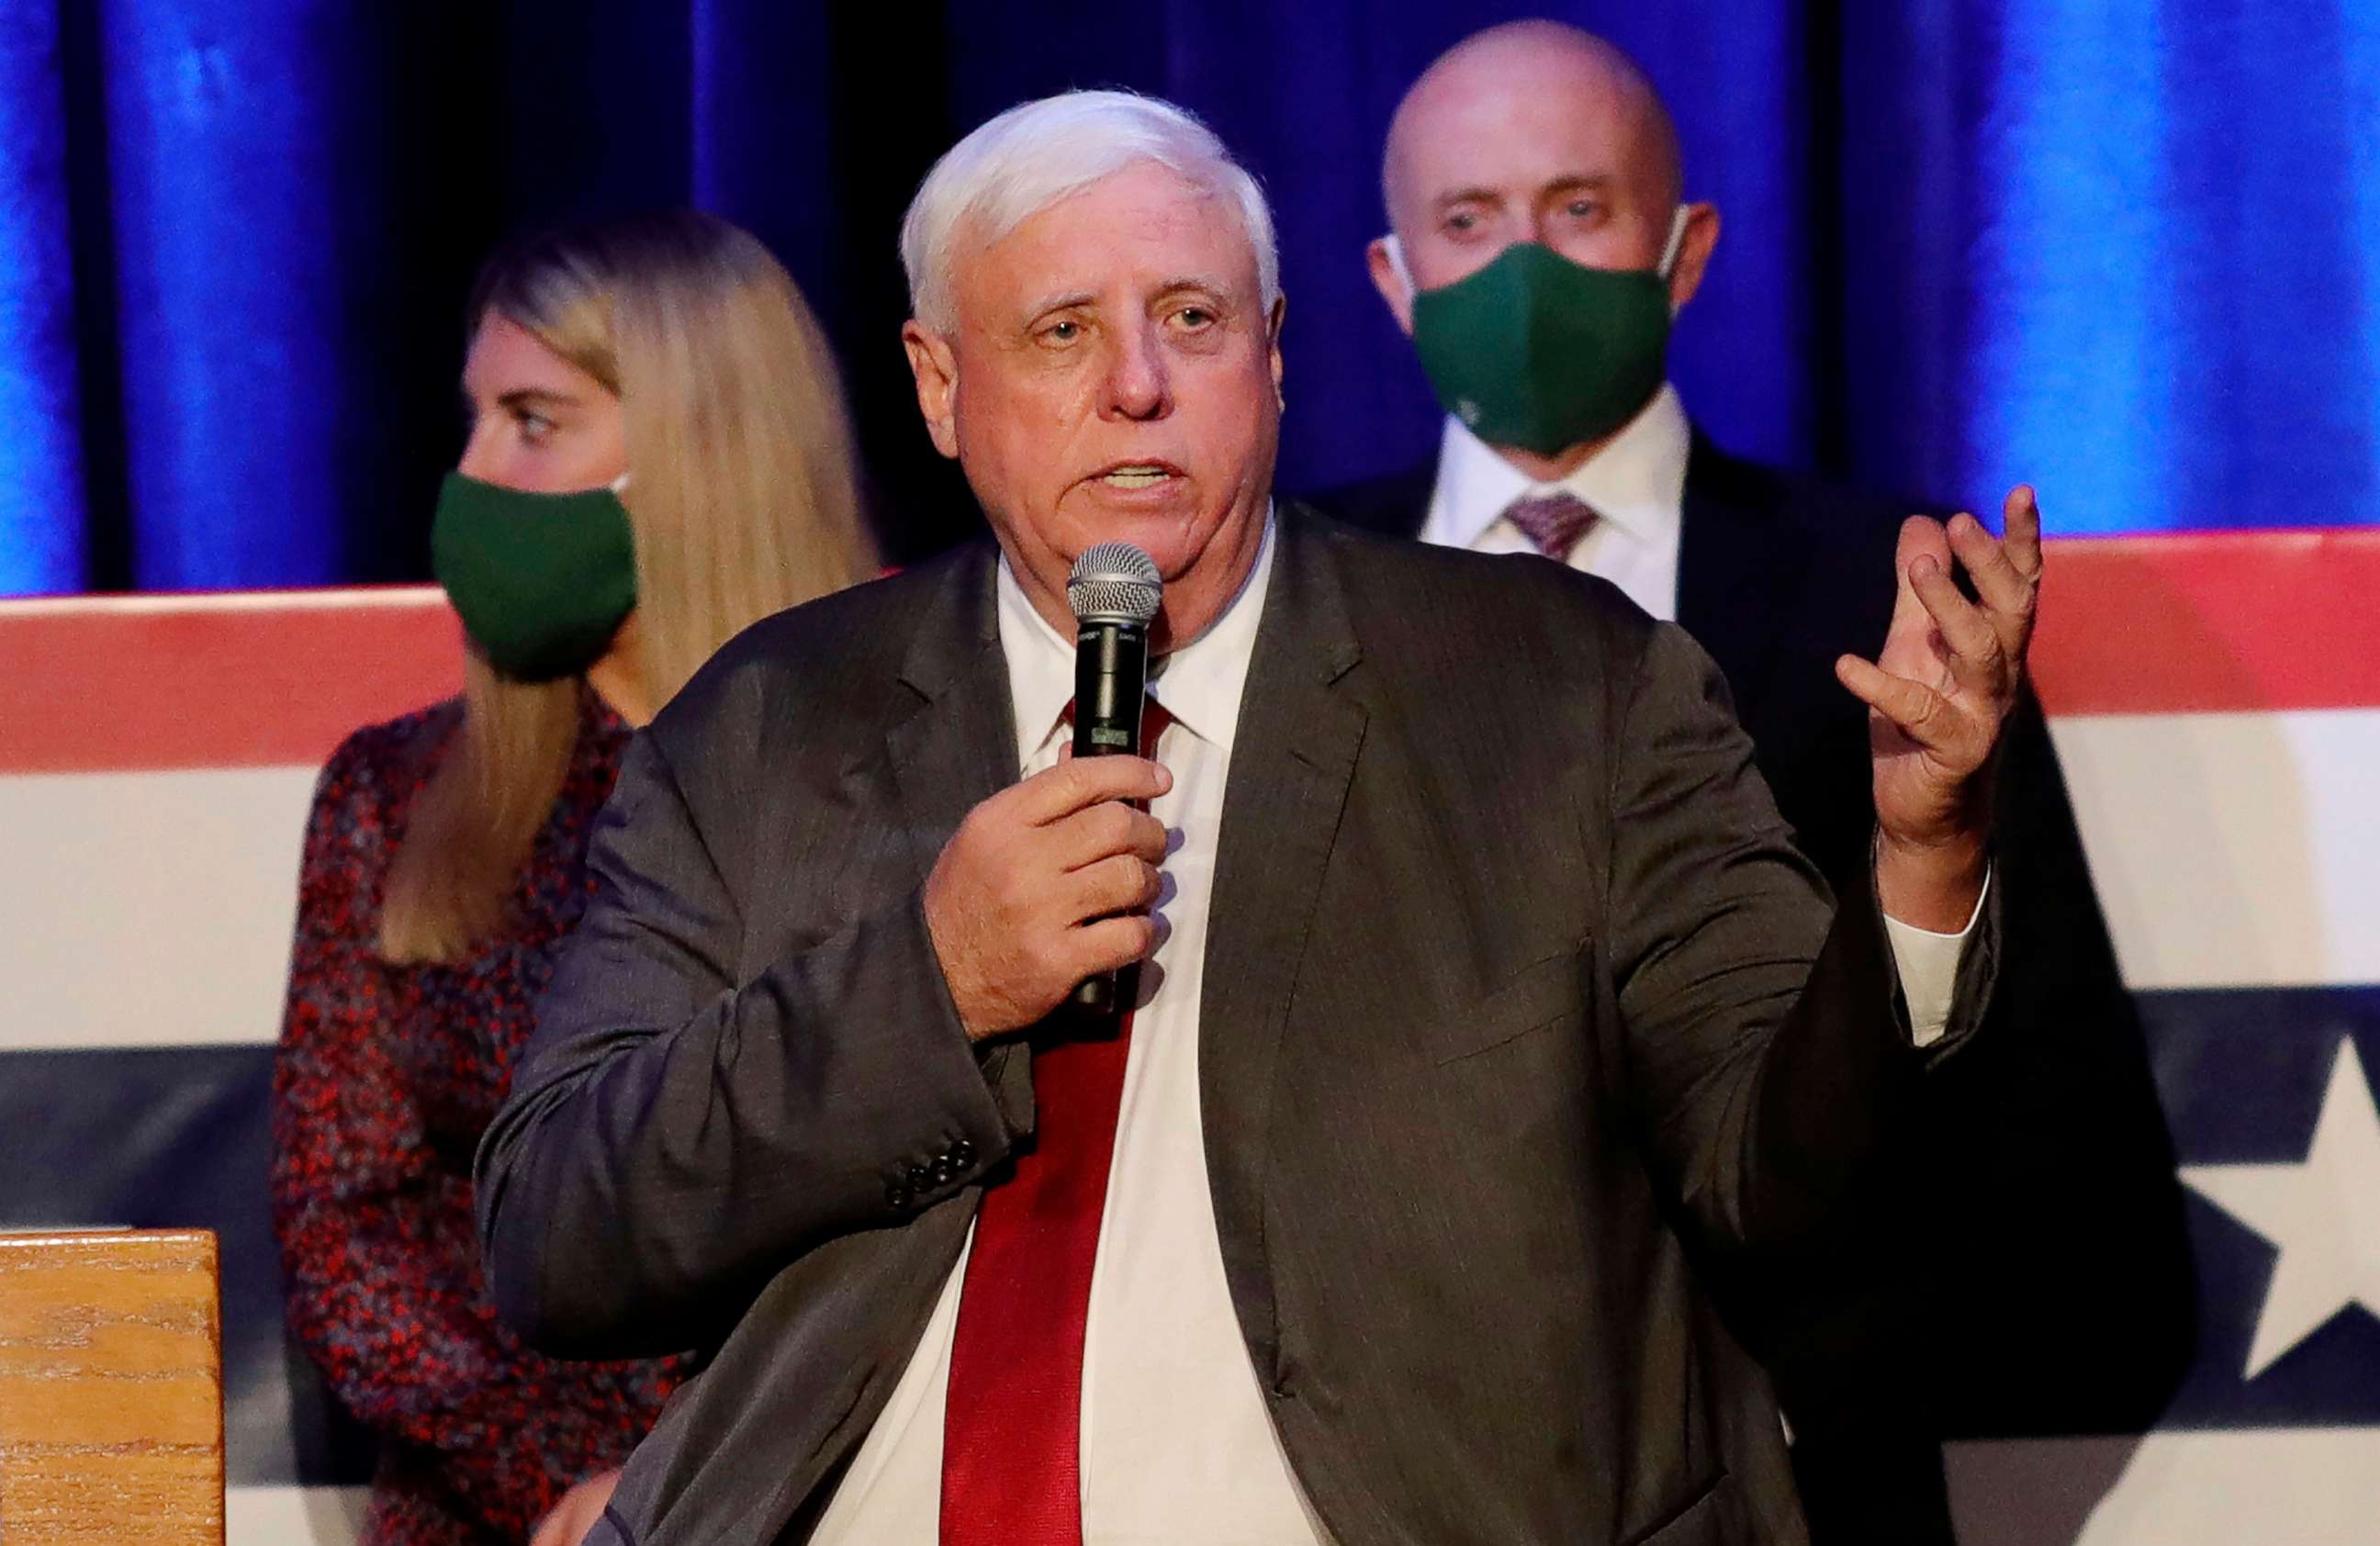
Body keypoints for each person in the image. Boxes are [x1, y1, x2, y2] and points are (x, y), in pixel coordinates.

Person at [475, 91, 2040, 1546]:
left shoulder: (1563, 691)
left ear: (1276, 357)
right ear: (941, 388)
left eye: (1191, 320)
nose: (1134, 384)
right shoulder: (770, 724)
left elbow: (1786, 1172)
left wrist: (1919, 857)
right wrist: (926, 985)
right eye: (1062, 330)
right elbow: (557, 1233)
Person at [1309, 21, 2194, 1540]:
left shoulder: (1887, 584)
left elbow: (2061, 1150)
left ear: (1687, 246)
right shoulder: (1298, 602)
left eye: (1579, 210)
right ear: (1392, 282)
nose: (1526, 269)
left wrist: (1799, 1419)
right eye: (1468, 223)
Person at [271, 208, 875, 1546]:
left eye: (534, 422)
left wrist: (690, 1480)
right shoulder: (396, 796)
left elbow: (919, 1212)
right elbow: (345, 1229)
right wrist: (562, 1482)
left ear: (699, 452)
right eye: (476, 418)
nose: (474, 475)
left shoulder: (899, 775)